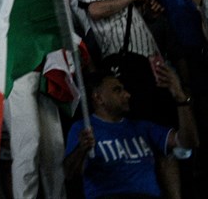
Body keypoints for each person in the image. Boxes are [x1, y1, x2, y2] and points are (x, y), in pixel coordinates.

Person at [65, 64, 198, 199]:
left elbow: (189, 142)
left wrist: (180, 97)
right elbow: (69, 174)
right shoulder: (83, 128)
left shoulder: (143, 127)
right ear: (99, 98)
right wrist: (81, 150)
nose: (127, 95)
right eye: (118, 90)